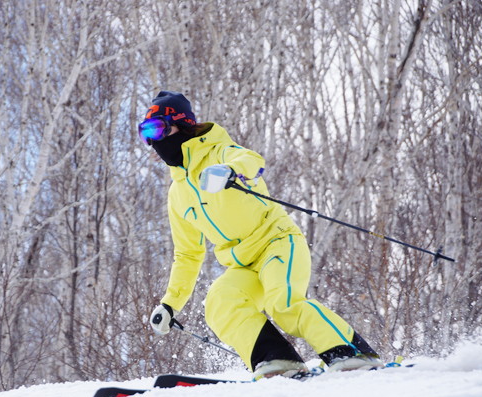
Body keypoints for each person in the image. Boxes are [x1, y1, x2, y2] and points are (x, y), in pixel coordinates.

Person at [140, 90, 382, 379]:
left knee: (284, 303)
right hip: (243, 264)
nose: (154, 141)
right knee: (220, 302)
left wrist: (230, 171)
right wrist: (170, 304)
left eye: (156, 129)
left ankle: (351, 352)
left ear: (182, 125)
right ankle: (276, 360)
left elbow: (252, 160)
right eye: (146, 134)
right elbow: (188, 254)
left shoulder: (220, 152)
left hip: (277, 243)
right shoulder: (177, 194)